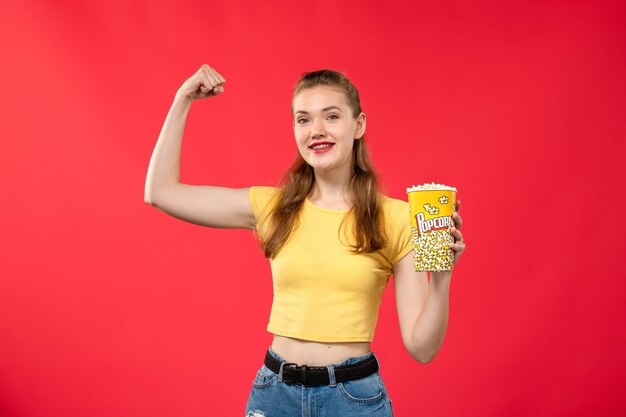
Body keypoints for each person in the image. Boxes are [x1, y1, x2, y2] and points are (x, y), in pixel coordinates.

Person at [144, 64, 465, 416]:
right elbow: (161, 192)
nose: (317, 130)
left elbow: (422, 348)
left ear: (358, 125)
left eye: (331, 116)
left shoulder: (398, 218)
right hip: (274, 395)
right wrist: (182, 99)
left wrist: (443, 276)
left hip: (353, 400)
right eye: (303, 119)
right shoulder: (273, 207)